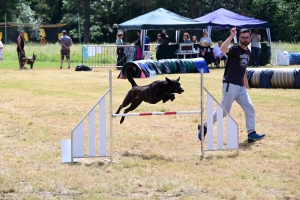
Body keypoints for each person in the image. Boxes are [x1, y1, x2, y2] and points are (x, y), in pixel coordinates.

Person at [197, 27, 265, 142]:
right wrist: (231, 36)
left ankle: (251, 133)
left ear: (250, 38)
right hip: (230, 85)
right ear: (239, 38)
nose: (245, 40)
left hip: (241, 87)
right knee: (223, 112)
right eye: (242, 38)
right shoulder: (235, 49)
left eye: (247, 37)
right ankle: (205, 126)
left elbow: (242, 68)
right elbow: (223, 48)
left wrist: (246, 82)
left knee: (249, 108)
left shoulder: (248, 51)